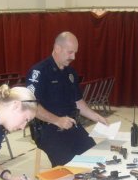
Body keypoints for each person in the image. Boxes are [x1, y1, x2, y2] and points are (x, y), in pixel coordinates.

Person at [26, 31, 108, 167]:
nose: (74, 57)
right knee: (69, 169)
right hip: (48, 129)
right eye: (70, 52)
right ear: (57, 48)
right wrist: (57, 120)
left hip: (71, 124)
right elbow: (31, 105)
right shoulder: (39, 72)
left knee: (95, 161)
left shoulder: (71, 73)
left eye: (75, 52)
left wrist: (95, 116)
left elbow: (78, 101)